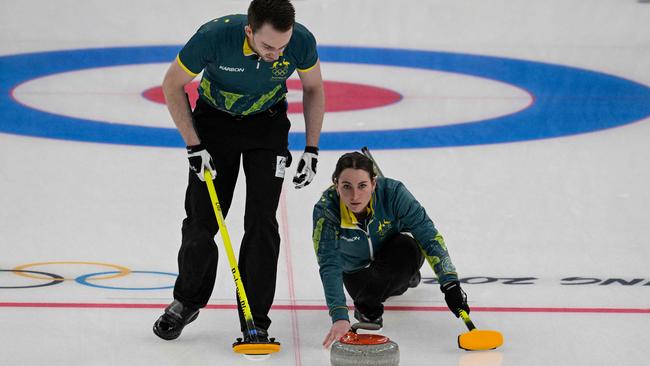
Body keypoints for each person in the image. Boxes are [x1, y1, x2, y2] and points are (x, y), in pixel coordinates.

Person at [153, 0, 324, 343]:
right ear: (249, 31)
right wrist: (193, 145)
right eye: (267, 46)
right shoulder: (214, 37)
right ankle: (186, 301)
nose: (277, 54)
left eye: (283, 46)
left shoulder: (302, 41)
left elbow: (313, 87)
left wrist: (311, 149)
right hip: (215, 125)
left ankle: (255, 318)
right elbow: (172, 84)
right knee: (202, 220)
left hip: (267, 126)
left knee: (262, 223)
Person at [313, 152, 470, 348]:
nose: (355, 196)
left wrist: (450, 283)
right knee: (370, 293)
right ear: (336, 185)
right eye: (346, 187)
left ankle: (404, 277)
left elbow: (428, 236)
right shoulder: (326, 210)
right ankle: (397, 285)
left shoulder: (393, 193)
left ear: (373, 183)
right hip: (356, 270)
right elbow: (329, 263)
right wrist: (339, 316)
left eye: (362, 186)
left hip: (396, 252)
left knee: (405, 249)